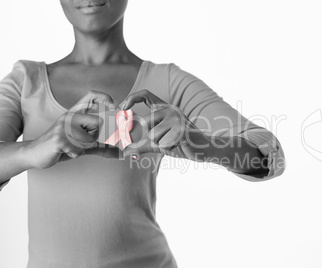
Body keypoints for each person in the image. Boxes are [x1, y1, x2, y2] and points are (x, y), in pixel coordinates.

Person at [0, 0, 286, 267]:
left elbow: (268, 155)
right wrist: (34, 149)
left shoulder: (169, 82)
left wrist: (204, 145)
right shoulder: (26, 81)